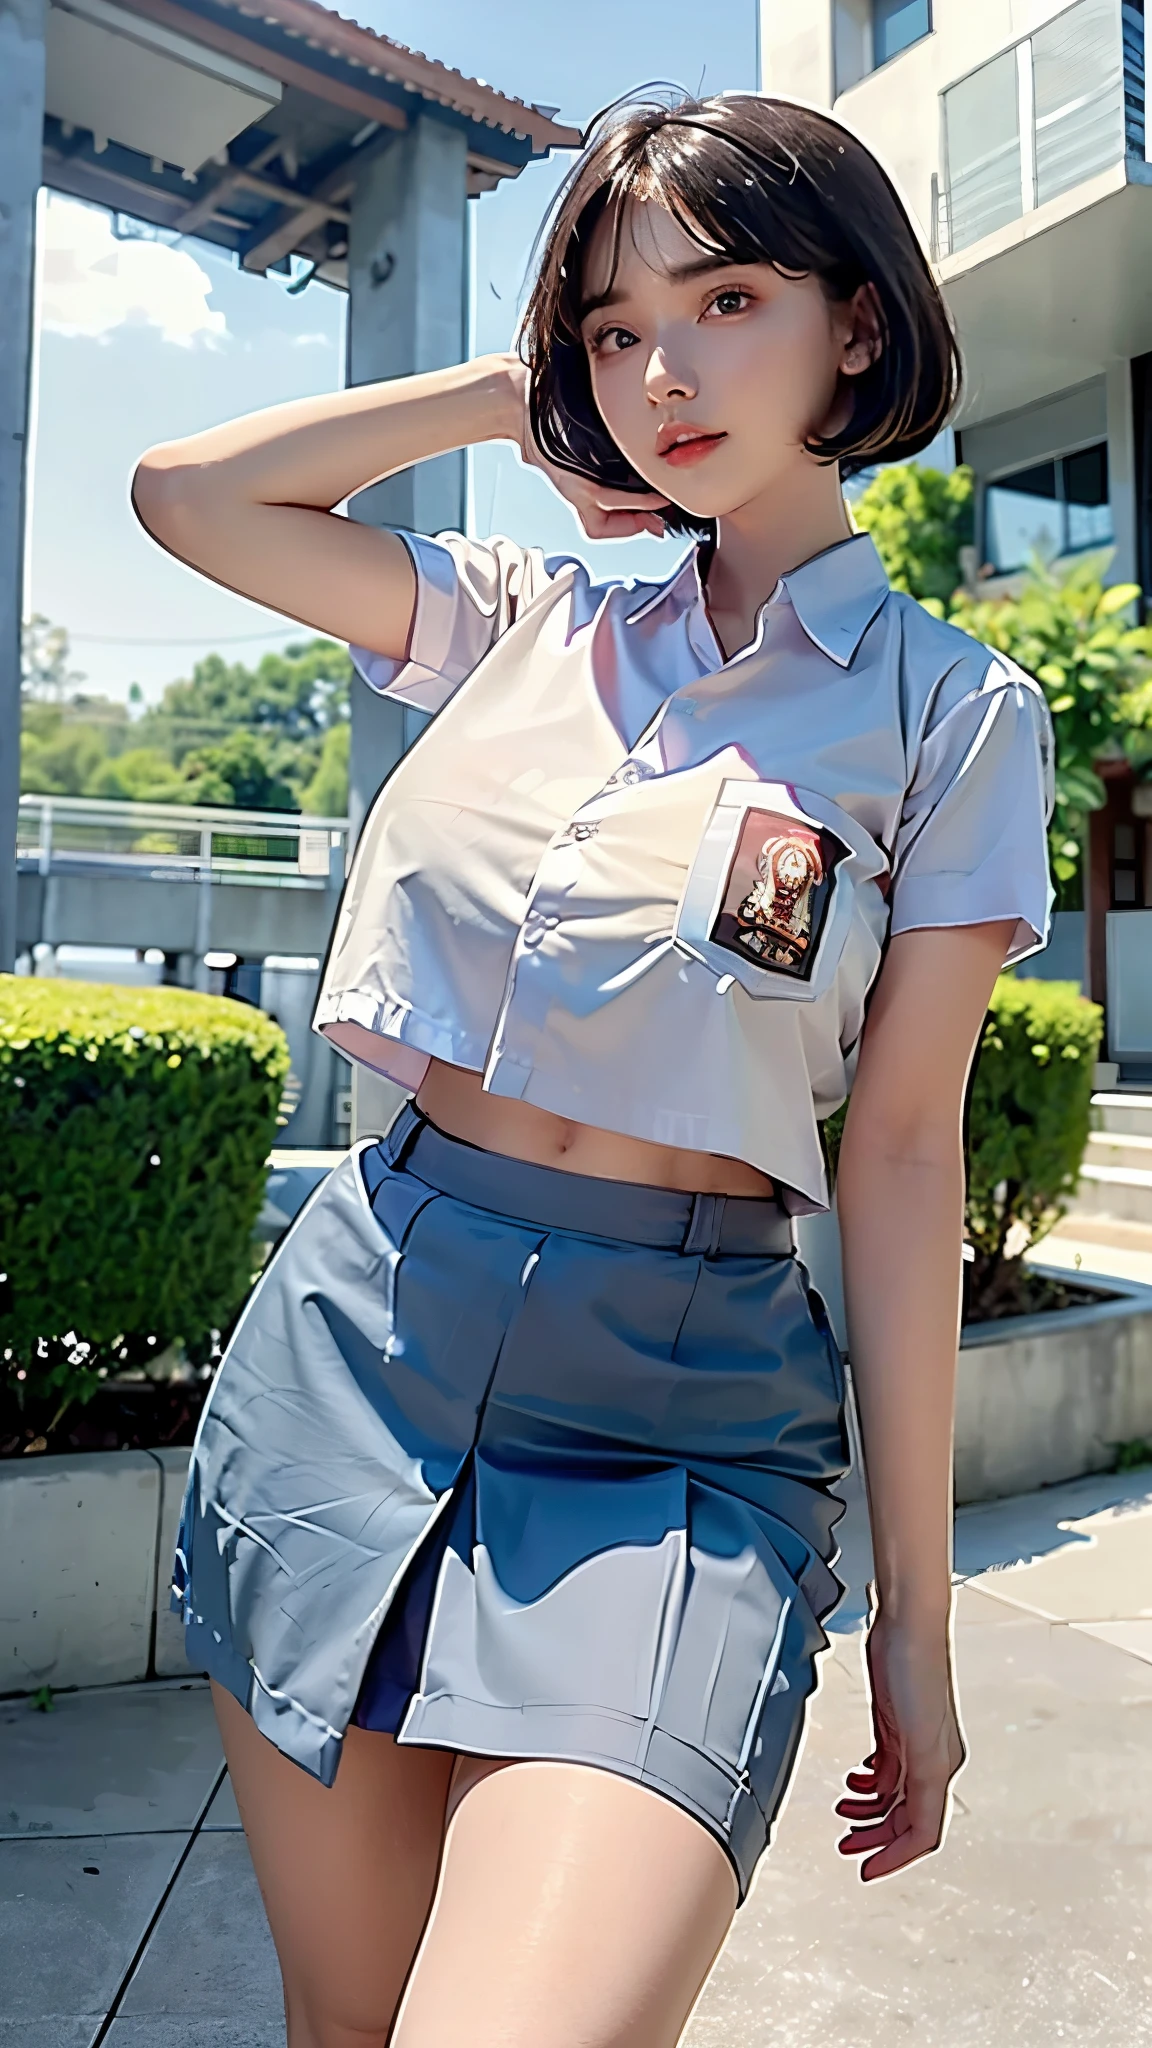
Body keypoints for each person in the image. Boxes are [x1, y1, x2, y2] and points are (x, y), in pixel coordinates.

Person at [133, 88, 1053, 2048]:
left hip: (677, 1424)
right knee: (349, 2023)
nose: (666, 371)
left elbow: (899, 1161)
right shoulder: (526, 618)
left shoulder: (950, 714)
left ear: (857, 325)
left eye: (724, 300)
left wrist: (918, 1615)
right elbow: (191, 494)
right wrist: (517, 391)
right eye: (619, 330)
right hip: (359, 1356)